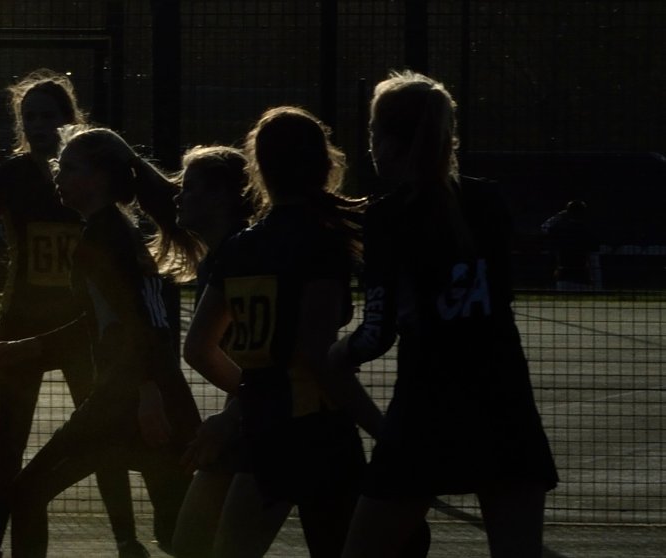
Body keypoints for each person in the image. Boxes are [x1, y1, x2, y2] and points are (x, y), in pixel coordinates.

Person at [0, 69, 148, 558]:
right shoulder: (9, 178)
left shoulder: (88, 177)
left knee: (97, 432)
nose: (39, 125)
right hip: (23, 320)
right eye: (29, 117)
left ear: (69, 119)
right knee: (9, 435)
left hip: (83, 327)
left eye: (49, 115)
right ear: (21, 125)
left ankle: (126, 538)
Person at [327, 71, 558, 558]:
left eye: (372, 133)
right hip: (503, 395)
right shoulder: (487, 200)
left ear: (387, 140)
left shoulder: (390, 216)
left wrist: (337, 354)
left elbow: (377, 331)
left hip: (430, 403)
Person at [0, 125, 203, 557]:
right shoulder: (108, 232)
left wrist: (148, 391)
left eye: (68, 169)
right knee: (175, 532)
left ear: (98, 179)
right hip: (137, 399)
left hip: (131, 402)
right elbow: (101, 323)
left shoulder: (106, 237)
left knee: (28, 492)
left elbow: (147, 321)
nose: (57, 176)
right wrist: (24, 348)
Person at [181, 107, 371, 557]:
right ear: (325, 166)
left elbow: (198, 349)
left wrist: (251, 393)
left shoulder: (240, 248)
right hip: (320, 429)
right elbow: (315, 355)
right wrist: (381, 425)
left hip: (263, 428)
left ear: (259, 170)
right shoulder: (323, 243)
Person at [164, 144, 258, 558]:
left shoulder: (244, 258)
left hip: (277, 417)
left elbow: (278, 359)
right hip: (255, 410)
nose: (178, 196)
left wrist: (238, 410)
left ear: (220, 197)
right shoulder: (220, 258)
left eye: (189, 188)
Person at [540, 200, 600, 290]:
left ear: (568, 212)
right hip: (583, 278)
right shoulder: (589, 231)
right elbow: (594, 261)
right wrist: (598, 286)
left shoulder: (561, 230)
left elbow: (544, 227)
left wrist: (559, 215)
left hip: (564, 277)